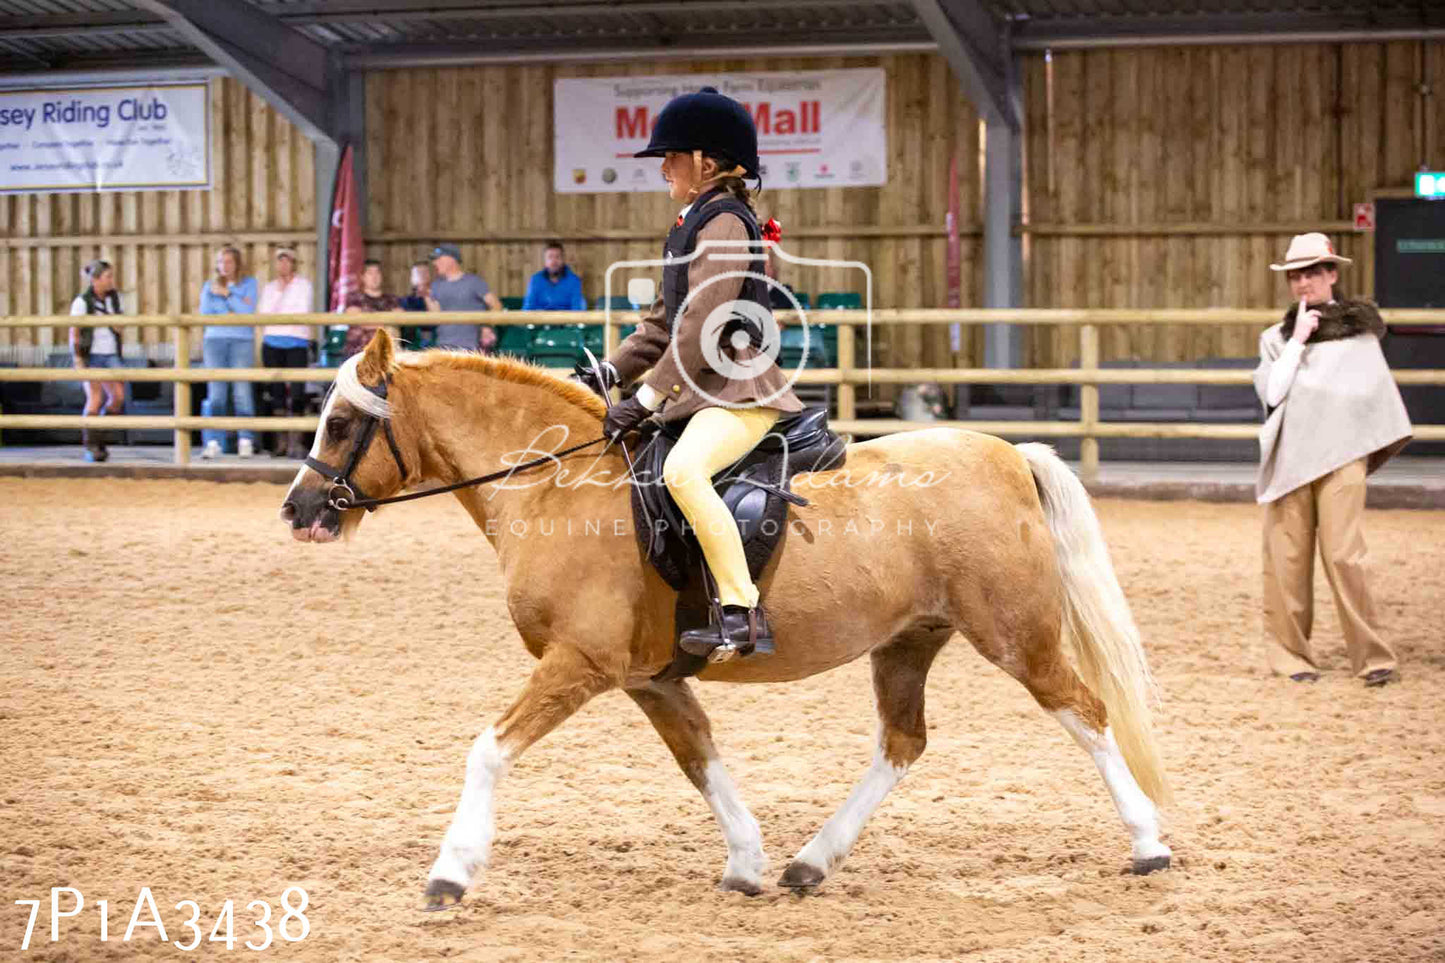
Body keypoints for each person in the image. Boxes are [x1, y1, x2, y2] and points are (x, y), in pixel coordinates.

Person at [577, 86, 804, 662]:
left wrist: (649, 396)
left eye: (672, 158)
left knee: (683, 471)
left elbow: (704, 319)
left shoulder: (726, 220)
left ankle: (741, 612)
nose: (664, 170)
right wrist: (610, 370)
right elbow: (662, 321)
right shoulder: (692, 220)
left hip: (739, 391)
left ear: (706, 161)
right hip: (703, 389)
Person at [1253, 232, 1412, 687]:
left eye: (1312, 273)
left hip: (1342, 458)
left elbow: (1370, 398)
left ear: (1331, 275)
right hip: (1291, 463)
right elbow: (1273, 392)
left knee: (1346, 556)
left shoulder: (1360, 337)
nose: (1303, 284)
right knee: (1287, 562)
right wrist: (1298, 340)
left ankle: (1373, 656)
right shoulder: (1275, 339)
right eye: (1295, 276)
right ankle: (1290, 657)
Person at [199, 245, 258, 459]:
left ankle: (245, 439)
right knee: (216, 393)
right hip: (214, 341)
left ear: (237, 264)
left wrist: (227, 294)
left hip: (241, 340)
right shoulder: (208, 286)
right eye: (221, 262)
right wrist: (232, 308)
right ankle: (213, 441)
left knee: (242, 390)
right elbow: (206, 313)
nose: (224, 266)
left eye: (229, 261)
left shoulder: (249, 284)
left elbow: (247, 312)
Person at [257, 248, 316, 459]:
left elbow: (300, 311)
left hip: (297, 341)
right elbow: (264, 312)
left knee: (298, 391)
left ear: (294, 263)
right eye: (280, 261)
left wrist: (279, 311)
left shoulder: (304, 285)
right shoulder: (270, 287)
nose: (283, 265)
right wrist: (281, 296)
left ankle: (296, 442)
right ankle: (280, 443)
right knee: (276, 392)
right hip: (272, 341)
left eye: (287, 261)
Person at [67, 259, 126, 463]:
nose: (111, 280)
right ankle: (92, 445)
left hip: (111, 354)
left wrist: (113, 319)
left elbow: (121, 326)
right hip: (91, 354)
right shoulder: (82, 302)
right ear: (95, 280)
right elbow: (74, 331)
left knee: (118, 397)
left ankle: (99, 436)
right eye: (107, 276)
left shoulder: (115, 299)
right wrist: (77, 358)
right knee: (95, 397)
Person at [428, 244, 501, 352]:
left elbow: (496, 305)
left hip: (472, 347)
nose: (434, 263)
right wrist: (426, 296)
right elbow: (435, 316)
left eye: (438, 259)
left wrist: (487, 327)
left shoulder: (474, 282)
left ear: (451, 259)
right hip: (443, 346)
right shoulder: (435, 285)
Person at [343, 258, 402, 357]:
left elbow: (401, 318)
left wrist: (374, 321)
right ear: (363, 277)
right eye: (370, 273)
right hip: (360, 352)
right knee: (391, 329)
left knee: (393, 331)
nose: (374, 277)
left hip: (386, 351)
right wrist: (387, 323)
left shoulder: (391, 299)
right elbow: (359, 320)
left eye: (377, 273)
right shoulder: (354, 298)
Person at [521, 240, 587, 311]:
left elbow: (577, 309)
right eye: (550, 257)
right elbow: (528, 308)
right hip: (540, 320)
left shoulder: (574, 281)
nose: (554, 261)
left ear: (563, 260)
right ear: (545, 261)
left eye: (557, 257)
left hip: (565, 321)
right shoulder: (535, 280)